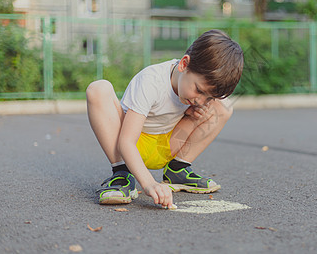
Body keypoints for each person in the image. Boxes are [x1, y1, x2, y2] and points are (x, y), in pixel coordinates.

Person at [86, 29, 244, 209]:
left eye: (207, 97)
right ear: (184, 64)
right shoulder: (151, 81)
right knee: (98, 89)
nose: (200, 101)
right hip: (130, 147)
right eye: (199, 91)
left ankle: (178, 169)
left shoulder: (193, 89)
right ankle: (122, 174)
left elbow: (196, 102)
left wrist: (192, 115)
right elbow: (127, 141)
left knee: (223, 106)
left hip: (166, 145)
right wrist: (149, 183)